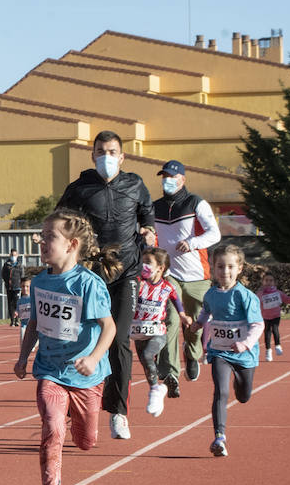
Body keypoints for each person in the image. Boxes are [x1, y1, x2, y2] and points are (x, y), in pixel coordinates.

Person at [13, 209, 120, 485]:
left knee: (86, 441)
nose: (42, 242)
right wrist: (22, 357)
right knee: (52, 430)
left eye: (50, 237)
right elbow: (34, 323)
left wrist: (93, 358)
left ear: (72, 244)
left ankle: (77, 417)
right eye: (41, 236)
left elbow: (110, 328)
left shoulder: (88, 284)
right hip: (50, 370)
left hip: (86, 374)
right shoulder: (40, 281)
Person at [56, 130, 154, 441]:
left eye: (112, 152)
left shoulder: (135, 184)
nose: (106, 157)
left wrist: (149, 230)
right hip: (90, 275)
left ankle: (119, 413)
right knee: (82, 339)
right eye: (101, 151)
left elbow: (147, 213)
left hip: (126, 273)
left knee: (119, 340)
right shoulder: (80, 187)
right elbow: (60, 218)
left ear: (122, 157)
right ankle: (77, 406)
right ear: (93, 155)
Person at [151, 159, 220, 398]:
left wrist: (192, 243)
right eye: (164, 176)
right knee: (170, 319)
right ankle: (171, 373)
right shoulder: (155, 207)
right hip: (169, 275)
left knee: (194, 323)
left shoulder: (196, 203)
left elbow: (215, 233)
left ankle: (192, 353)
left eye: (172, 176)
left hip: (197, 275)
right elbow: (150, 236)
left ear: (183, 179)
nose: (167, 181)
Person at [187, 244, 262, 457]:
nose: (225, 271)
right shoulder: (211, 294)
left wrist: (245, 344)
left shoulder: (245, 296)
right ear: (213, 268)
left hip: (245, 355)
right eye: (220, 266)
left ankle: (242, 388)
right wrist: (198, 324)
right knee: (221, 391)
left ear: (239, 269)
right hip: (219, 352)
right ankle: (219, 437)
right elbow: (206, 312)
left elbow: (258, 325)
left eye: (230, 267)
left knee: (243, 396)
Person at [130, 248, 192, 418]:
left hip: (158, 331)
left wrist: (183, 316)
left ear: (160, 268)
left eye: (148, 263)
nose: (144, 266)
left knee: (149, 355)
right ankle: (156, 389)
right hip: (138, 330)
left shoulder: (167, 287)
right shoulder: (137, 282)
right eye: (143, 262)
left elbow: (177, 303)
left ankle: (156, 391)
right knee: (145, 361)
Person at [256, 272, 290, 361]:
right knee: (267, 332)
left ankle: (278, 346)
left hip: (276, 315)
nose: (268, 282)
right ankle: (268, 351)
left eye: (271, 280)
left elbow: (287, 300)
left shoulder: (278, 293)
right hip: (265, 316)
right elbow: (254, 302)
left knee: (275, 329)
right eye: (266, 280)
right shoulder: (260, 294)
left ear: (274, 282)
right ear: (263, 282)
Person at [1, 247, 22, 326]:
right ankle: (12, 320)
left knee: (17, 303)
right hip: (9, 287)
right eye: (12, 255)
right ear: (10, 255)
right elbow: (3, 274)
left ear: (17, 255)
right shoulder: (6, 264)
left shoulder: (20, 265)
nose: (13, 256)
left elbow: (22, 275)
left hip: (17, 287)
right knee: (10, 304)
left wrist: (21, 284)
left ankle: (17, 320)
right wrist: (7, 282)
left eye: (15, 255)